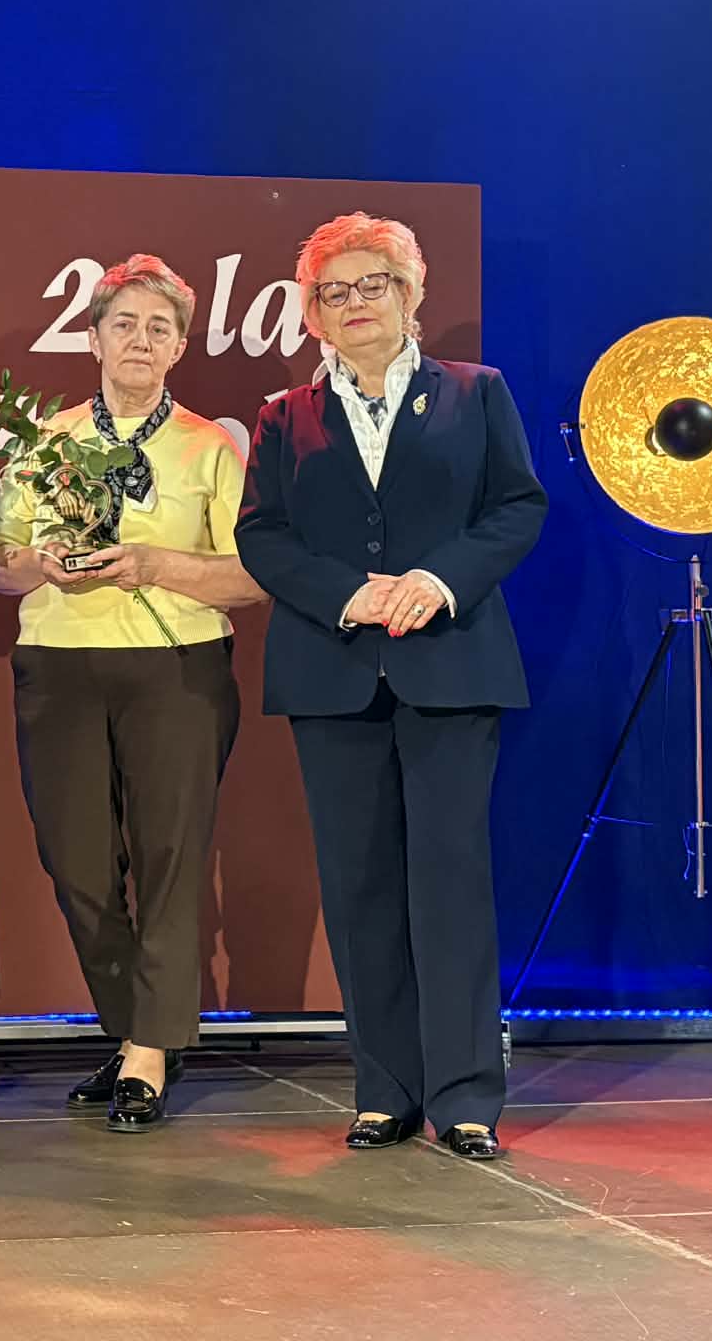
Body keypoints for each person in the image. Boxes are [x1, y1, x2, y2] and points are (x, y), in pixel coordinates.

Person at [235, 212, 546, 1159]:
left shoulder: (477, 392)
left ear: (412, 295)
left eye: (374, 284)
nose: (355, 303)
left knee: (451, 884)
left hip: (451, 666)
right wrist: (349, 594)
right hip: (332, 676)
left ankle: (465, 1097)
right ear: (312, 313)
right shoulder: (283, 416)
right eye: (334, 291)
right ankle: (386, 1091)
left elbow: (516, 506)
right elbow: (261, 534)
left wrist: (437, 581)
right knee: (359, 887)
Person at [0, 255, 262, 1132]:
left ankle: (146, 1053)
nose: (141, 341)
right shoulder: (42, 442)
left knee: (172, 861)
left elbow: (252, 578)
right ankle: (143, 1026)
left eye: (159, 329)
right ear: (93, 338)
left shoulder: (211, 447)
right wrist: (40, 564)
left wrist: (154, 564)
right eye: (125, 324)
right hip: (59, 665)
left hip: (176, 669)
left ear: (179, 348)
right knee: (78, 865)